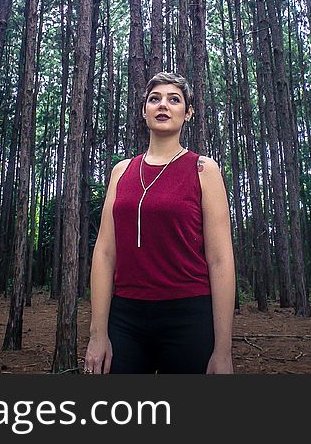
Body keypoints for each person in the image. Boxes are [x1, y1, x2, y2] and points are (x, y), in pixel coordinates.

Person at [83, 72, 236, 374]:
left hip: (188, 315)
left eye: (174, 99)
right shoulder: (121, 171)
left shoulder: (203, 169)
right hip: (126, 315)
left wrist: (223, 350)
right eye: (155, 99)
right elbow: (104, 253)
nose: (163, 105)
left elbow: (220, 260)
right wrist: (97, 335)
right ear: (144, 111)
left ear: (188, 113)